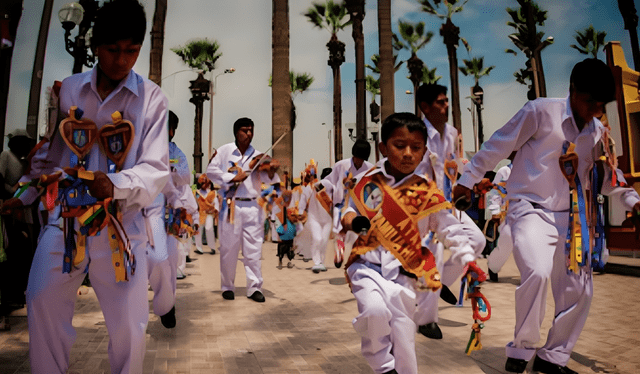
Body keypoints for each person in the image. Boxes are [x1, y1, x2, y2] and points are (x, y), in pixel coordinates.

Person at [2, 1, 170, 372]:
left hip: (122, 225)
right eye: (113, 50)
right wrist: (24, 195)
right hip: (66, 221)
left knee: (129, 323)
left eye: (131, 50)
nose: (122, 60)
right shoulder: (69, 91)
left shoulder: (152, 99)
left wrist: (117, 184)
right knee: (42, 298)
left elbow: (157, 169)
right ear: (96, 47)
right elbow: (50, 157)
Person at [453, 58, 640, 374]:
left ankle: (552, 357)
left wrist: (634, 201)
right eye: (588, 100)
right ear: (572, 90)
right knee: (537, 272)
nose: (593, 109)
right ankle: (522, 349)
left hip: (573, 221)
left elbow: (608, 178)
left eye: (600, 104)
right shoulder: (540, 112)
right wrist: (467, 179)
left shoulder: (597, 134)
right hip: (530, 210)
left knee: (581, 290)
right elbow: (499, 144)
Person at [341, 112, 476, 374]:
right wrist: (353, 222)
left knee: (404, 339)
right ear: (383, 148)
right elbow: (347, 212)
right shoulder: (367, 183)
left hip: (405, 276)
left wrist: (468, 259)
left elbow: (450, 228)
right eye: (399, 146)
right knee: (374, 311)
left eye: (415, 148)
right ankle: (382, 366)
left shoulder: (427, 192)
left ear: (424, 151)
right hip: (367, 268)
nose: (407, 154)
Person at [413, 83, 485, 340]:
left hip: (449, 204)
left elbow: (454, 164)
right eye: (440, 102)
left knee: (477, 241)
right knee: (433, 257)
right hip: (424, 208)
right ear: (424, 107)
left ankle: (441, 283)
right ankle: (425, 320)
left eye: (446, 101)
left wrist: (474, 181)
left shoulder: (452, 133)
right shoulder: (417, 134)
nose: (446, 106)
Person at [206, 117, 278, 303]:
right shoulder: (224, 151)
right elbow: (211, 171)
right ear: (236, 132)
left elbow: (270, 180)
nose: (249, 134)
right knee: (229, 248)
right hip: (231, 205)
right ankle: (227, 286)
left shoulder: (260, 156)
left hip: (253, 206)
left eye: (251, 130)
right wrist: (231, 178)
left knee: (253, 249)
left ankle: (254, 288)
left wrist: (271, 170)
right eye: (245, 130)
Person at [320, 139, 373, 267]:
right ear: (353, 156)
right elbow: (328, 182)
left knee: (362, 230)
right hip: (342, 204)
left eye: (362, 159)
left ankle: (360, 256)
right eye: (357, 158)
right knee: (341, 230)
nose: (359, 161)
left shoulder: (370, 169)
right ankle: (339, 252)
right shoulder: (341, 165)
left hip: (361, 205)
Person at [194, 173, 218, 255]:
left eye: (205, 183)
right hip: (200, 213)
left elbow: (216, 203)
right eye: (202, 183)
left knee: (209, 228)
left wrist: (214, 210)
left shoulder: (212, 193)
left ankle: (212, 247)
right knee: (198, 230)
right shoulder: (196, 193)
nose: (204, 185)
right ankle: (199, 248)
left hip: (209, 213)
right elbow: (195, 203)